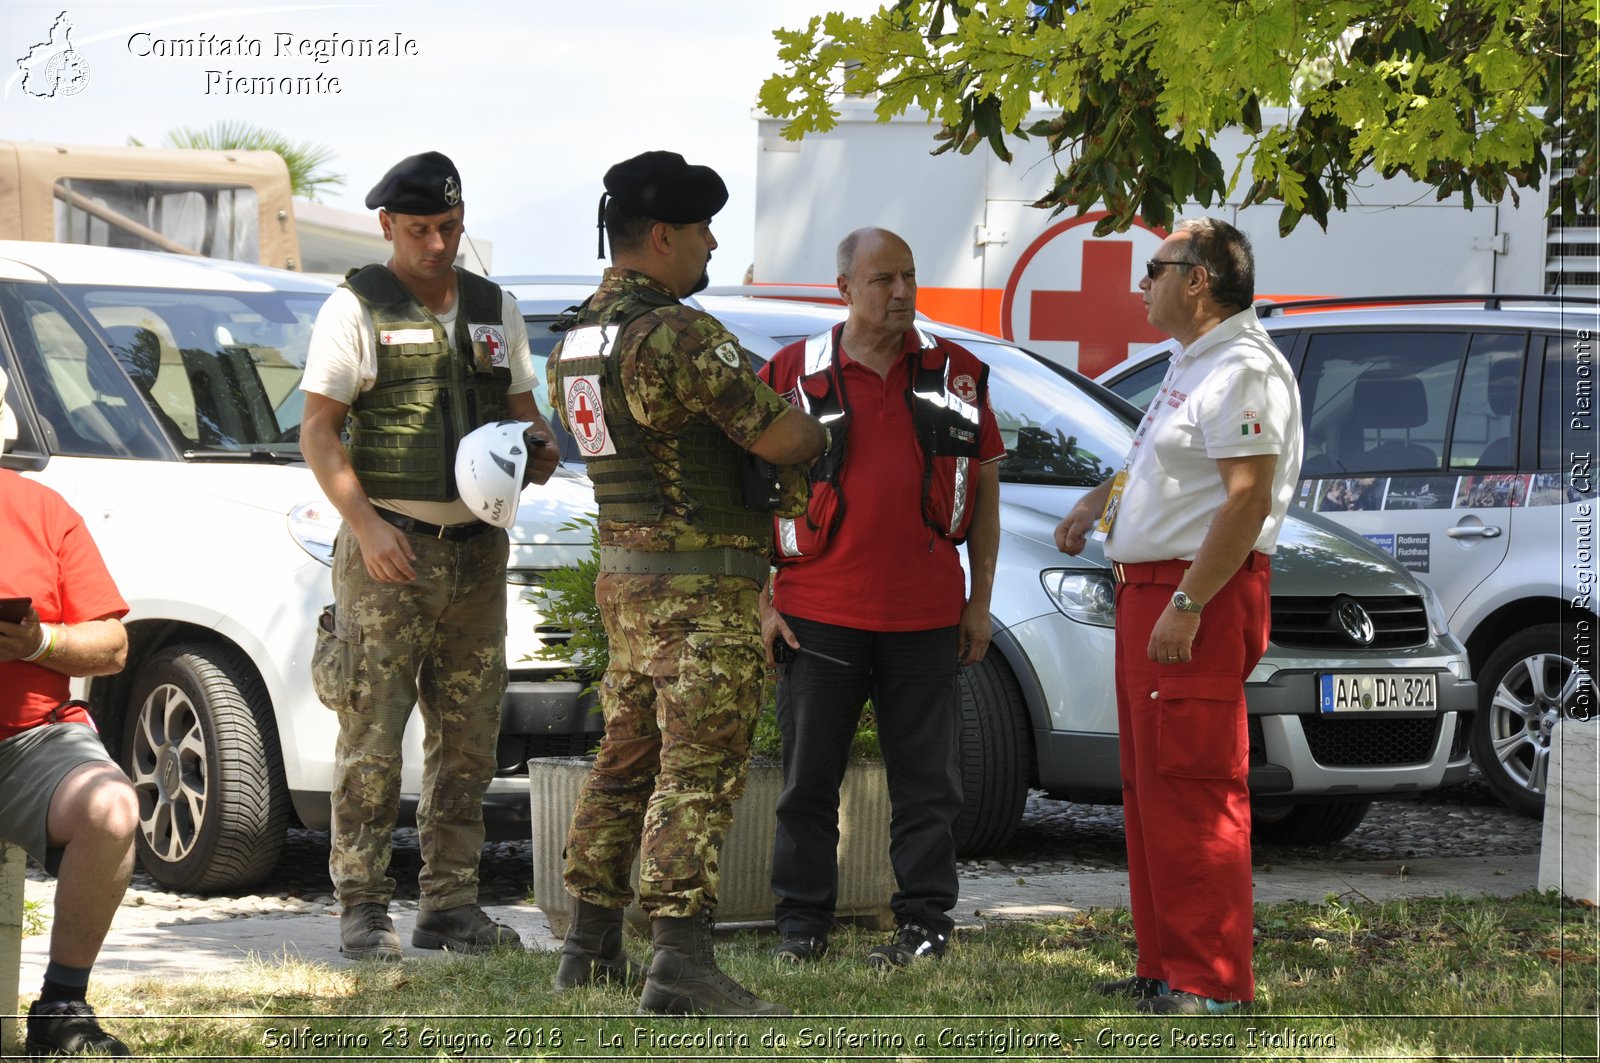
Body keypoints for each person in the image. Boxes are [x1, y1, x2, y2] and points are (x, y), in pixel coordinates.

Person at [548, 150, 826, 1016]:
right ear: (662, 234)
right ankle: (680, 961)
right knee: (697, 772)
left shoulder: (580, 333)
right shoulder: (675, 331)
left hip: (628, 585)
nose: (712, 244)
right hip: (698, 592)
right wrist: (812, 437)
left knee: (624, 762)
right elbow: (779, 436)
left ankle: (589, 946)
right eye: (703, 227)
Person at [299, 151, 560, 961]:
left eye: (449, 227)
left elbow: (525, 415)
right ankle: (363, 907)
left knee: (469, 740)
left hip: (477, 555)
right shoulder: (355, 309)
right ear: (388, 226)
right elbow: (318, 431)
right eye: (420, 230)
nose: (438, 244)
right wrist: (370, 530)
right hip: (388, 551)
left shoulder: (495, 309)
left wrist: (539, 449)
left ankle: (448, 904)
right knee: (372, 739)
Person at [1054, 217, 1303, 1014]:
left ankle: (1211, 982)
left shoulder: (1240, 369)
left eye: (1154, 269)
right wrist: (1102, 500)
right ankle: (1165, 966)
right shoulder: (1194, 363)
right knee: (1152, 786)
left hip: (1194, 592)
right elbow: (1167, 469)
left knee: (1195, 786)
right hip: (1151, 591)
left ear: (1198, 279)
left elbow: (1246, 498)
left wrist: (1189, 600)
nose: (1142, 284)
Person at [758, 227, 1004, 968]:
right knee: (807, 782)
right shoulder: (790, 373)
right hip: (815, 616)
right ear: (844, 290)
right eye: (882, 280)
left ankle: (926, 924)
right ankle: (801, 927)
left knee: (930, 787)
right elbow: (747, 496)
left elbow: (985, 496)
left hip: (926, 617)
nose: (900, 293)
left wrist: (980, 600)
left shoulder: (959, 374)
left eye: (909, 276)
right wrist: (761, 603)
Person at [0, 366, 138, 1057]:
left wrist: (39, 640)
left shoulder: (43, 511)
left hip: (31, 742)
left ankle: (62, 1005)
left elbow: (112, 644)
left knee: (112, 806)